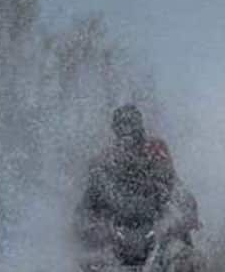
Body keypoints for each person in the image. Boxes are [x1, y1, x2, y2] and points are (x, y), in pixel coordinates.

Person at [78, 104, 198, 252]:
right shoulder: (105, 158)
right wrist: (87, 224)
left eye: (130, 125)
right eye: (122, 126)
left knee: (179, 240)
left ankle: (188, 266)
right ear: (115, 130)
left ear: (139, 127)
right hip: (120, 217)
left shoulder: (155, 148)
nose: (127, 131)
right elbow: (91, 194)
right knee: (91, 247)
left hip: (155, 213)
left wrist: (187, 211)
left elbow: (173, 182)